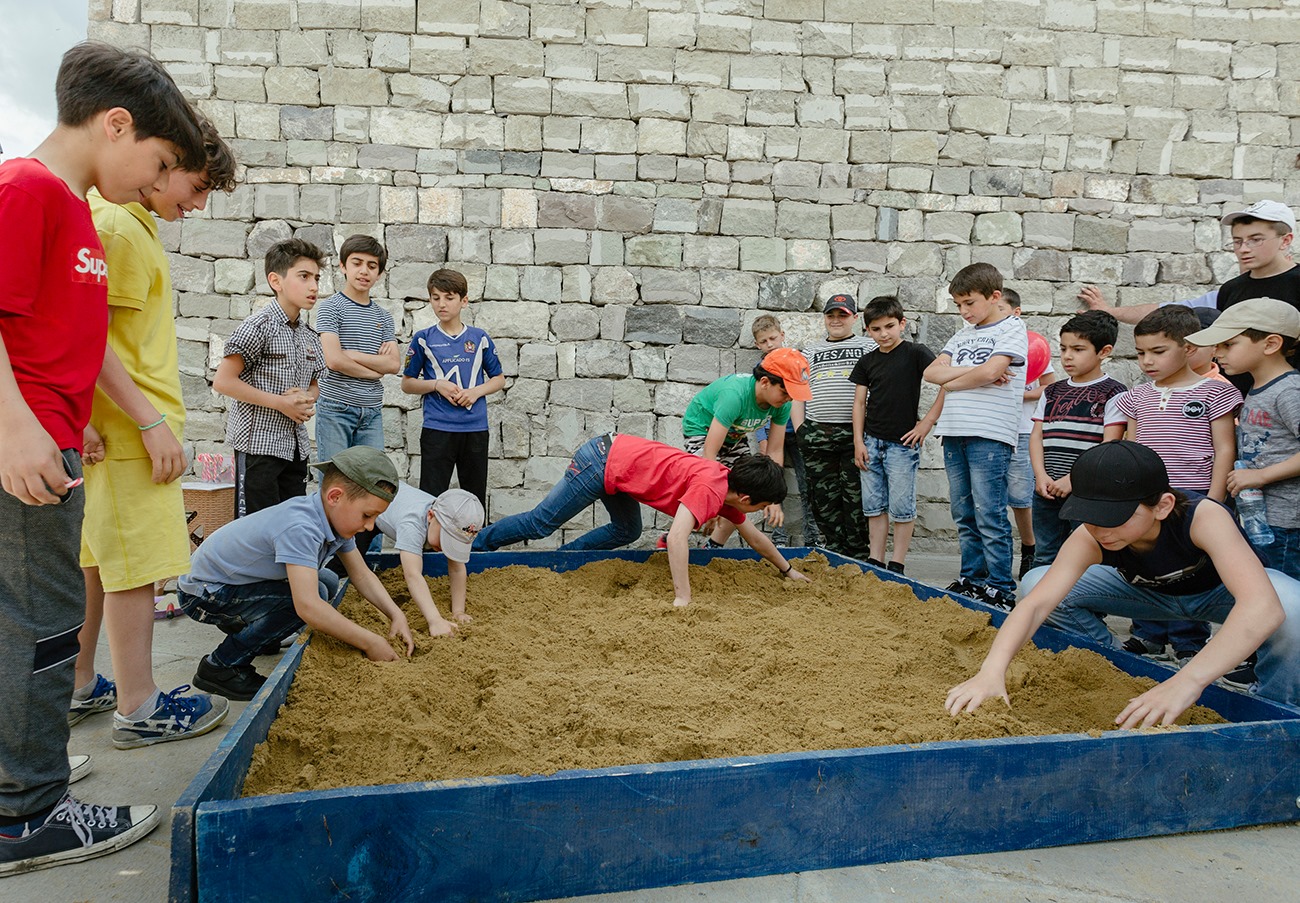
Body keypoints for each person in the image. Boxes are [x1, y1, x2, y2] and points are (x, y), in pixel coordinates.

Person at [0, 41, 205, 876]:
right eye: (160, 163)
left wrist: (79, 419)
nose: (158, 183)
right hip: (27, 448)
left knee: (39, 620)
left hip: (54, 439)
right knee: (42, 625)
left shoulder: (77, 210)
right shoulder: (27, 189)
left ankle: (24, 774)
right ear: (116, 124)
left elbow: (73, 338)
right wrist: (15, 428)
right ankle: (27, 814)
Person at [71, 116, 236, 750]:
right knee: (134, 570)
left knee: (101, 563)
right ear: (165, 164)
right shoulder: (116, 226)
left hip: (125, 431)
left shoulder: (130, 225)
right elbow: (88, 336)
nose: (197, 206)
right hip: (128, 436)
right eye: (196, 187)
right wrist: (143, 422)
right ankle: (139, 706)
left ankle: (80, 683)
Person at [946, 441, 1300, 728]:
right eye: (1092, 516)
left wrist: (1187, 681)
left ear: (1162, 506)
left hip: (1218, 596)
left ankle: (1274, 711)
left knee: (1289, 603)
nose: (1102, 530)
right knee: (1036, 580)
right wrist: (991, 671)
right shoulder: (1092, 535)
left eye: (1114, 518)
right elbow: (1037, 603)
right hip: (1148, 595)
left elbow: (1261, 606)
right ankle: (1117, 666)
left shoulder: (1203, 516)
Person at [177, 447, 415, 701]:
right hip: (204, 593)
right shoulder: (301, 527)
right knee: (307, 600)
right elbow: (308, 607)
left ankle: (251, 628)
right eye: (367, 515)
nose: (369, 526)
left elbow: (362, 575)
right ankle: (220, 666)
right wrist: (370, 642)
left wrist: (396, 615)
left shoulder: (331, 517)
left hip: (233, 582)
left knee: (327, 580)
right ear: (335, 496)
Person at [472, 434, 810, 606]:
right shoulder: (711, 487)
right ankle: (475, 546)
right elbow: (676, 539)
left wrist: (788, 569)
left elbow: (754, 539)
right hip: (601, 461)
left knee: (628, 529)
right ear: (747, 499)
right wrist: (683, 597)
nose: (759, 513)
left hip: (618, 466)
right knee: (540, 523)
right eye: (762, 507)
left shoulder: (728, 492)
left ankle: (565, 559)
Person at [1108, 305, 1242, 664]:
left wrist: (1214, 501)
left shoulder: (1215, 393)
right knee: (1147, 564)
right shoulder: (1138, 396)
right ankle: (1147, 634)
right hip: (1148, 500)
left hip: (1194, 498)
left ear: (1189, 347)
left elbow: (1224, 449)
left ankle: (1189, 641)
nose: (1147, 361)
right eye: (1141, 353)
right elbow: (1134, 449)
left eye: (1158, 351)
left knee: (1188, 569)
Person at [1080, 200, 1298, 386]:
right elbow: (1176, 311)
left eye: (1256, 240)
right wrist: (1110, 311)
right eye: (1237, 241)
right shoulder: (1232, 289)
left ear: (1285, 240)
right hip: (1236, 396)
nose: (1244, 249)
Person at [923, 263, 1027, 609]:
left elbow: (992, 371)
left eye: (969, 303)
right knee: (964, 512)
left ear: (994, 296)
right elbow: (931, 373)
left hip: (989, 433)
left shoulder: (1012, 327)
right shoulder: (961, 335)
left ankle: (1000, 587)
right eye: (958, 305)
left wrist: (955, 380)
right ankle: (972, 579)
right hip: (954, 431)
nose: (964, 311)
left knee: (989, 513)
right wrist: (975, 372)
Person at [215, 238, 327, 518]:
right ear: (276, 281)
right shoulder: (258, 326)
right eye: (304, 276)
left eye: (316, 278)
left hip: (295, 449)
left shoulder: (309, 336)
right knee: (255, 529)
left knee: (290, 525)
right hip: (258, 448)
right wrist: (280, 403)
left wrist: (306, 398)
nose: (314, 286)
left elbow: (315, 384)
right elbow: (224, 381)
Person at [1191, 298, 1300, 580]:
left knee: (1283, 592)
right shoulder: (1258, 386)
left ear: (1271, 344)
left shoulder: (1289, 391)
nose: (1218, 353)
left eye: (1228, 344)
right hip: (1260, 516)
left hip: (1287, 523)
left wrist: (1261, 475)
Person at [679, 348, 812, 548]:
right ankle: (672, 536)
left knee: (747, 491)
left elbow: (775, 450)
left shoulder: (783, 405)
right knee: (707, 488)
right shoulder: (734, 395)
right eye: (785, 392)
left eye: (793, 395)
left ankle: (713, 546)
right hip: (702, 430)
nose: (789, 399)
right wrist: (712, 502)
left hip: (734, 435)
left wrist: (773, 498)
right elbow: (710, 453)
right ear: (765, 382)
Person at [849, 295, 942, 575]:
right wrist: (858, 442)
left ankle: (897, 563)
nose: (884, 334)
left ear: (902, 323)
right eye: (876, 329)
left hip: (902, 444)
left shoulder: (916, 353)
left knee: (902, 506)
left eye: (889, 326)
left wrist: (926, 423)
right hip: (871, 442)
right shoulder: (867, 361)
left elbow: (946, 382)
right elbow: (859, 403)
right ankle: (876, 560)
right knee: (874, 506)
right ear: (867, 330)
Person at [1028, 310, 1126, 569]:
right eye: (1063, 348)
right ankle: (1043, 595)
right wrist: (1040, 476)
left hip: (1086, 492)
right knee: (1045, 554)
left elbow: (1110, 445)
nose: (1067, 356)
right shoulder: (1052, 391)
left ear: (1104, 351)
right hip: (1047, 489)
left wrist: (1073, 479)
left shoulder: (1114, 393)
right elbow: (1037, 435)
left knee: (1085, 556)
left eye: (1078, 349)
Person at [402, 268, 504, 509]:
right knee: (430, 498)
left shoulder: (479, 338)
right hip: (437, 429)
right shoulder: (423, 338)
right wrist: (437, 385)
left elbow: (499, 379)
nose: (442, 304)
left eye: (449, 297)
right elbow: (407, 384)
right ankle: (428, 534)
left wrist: (475, 392)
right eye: (435, 298)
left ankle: (475, 535)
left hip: (475, 429)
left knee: (474, 499)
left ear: (464, 301)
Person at [794, 294, 877, 558]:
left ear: (855, 318)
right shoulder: (810, 351)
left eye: (842, 315)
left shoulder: (869, 346)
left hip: (855, 434)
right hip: (817, 433)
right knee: (822, 497)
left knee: (856, 495)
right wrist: (800, 429)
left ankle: (859, 554)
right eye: (831, 315)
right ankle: (834, 551)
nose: (836, 320)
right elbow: (798, 392)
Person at [314, 234, 399, 462]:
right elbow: (334, 360)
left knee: (371, 478)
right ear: (343, 266)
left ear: (379, 273)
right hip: (335, 408)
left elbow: (393, 364)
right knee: (335, 477)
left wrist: (352, 355)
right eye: (357, 263)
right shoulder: (330, 308)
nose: (364, 271)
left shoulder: (384, 317)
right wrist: (374, 373)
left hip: (371, 411)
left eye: (372, 266)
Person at [374, 485, 483, 637]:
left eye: (454, 542)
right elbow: (413, 575)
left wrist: (458, 611)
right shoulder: (412, 524)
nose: (445, 547)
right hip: (375, 507)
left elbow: (457, 568)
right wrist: (435, 620)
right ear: (431, 516)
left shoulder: (447, 517)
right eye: (446, 538)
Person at [1000, 288, 1055, 579]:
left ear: (1016, 312)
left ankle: (1030, 546)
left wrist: (1020, 394)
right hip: (994, 428)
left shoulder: (1032, 345)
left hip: (1023, 429)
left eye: (1002, 310)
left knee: (1022, 497)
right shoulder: (989, 344)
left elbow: (1050, 386)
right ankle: (998, 555)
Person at [750, 315, 819, 547]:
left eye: (772, 338)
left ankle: (812, 537)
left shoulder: (796, 362)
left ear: (782, 336)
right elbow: (757, 406)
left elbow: (804, 397)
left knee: (807, 483)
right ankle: (778, 537)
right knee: (774, 483)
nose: (769, 344)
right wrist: (762, 438)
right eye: (763, 341)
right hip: (772, 432)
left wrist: (805, 432)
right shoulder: (760, 370)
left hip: (798, 430)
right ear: (757, 344)